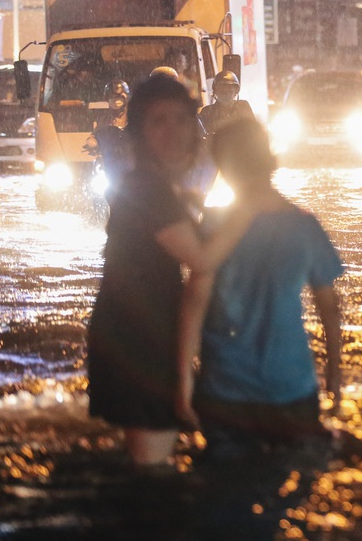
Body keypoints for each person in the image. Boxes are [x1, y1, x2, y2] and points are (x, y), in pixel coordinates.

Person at [85, 74, 256, 467]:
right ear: (140, 130)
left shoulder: (154, 184)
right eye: (158, 121)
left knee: (144, 459)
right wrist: (251, 205)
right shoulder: (148, 188)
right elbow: (203, 259)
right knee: (152, 469)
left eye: (181, 120)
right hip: (136, 340)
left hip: (133, 332)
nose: (172, 131)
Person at [175, 117, 344, 452]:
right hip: (291, 386)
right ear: (268, 161)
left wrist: (181, 382)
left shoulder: (214, 227)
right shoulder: (305, 227)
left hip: (224, 390)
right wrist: (335, 372)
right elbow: (330, 308)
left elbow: (195, 302)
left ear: (226, 169)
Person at [197, 71, 254, 137]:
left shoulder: (243, 107)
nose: (227, 92)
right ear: (216, 91)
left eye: (230, 90)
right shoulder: (207, 112)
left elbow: (254, 132)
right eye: (223, 90)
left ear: (236, 91)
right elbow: (198, 136)